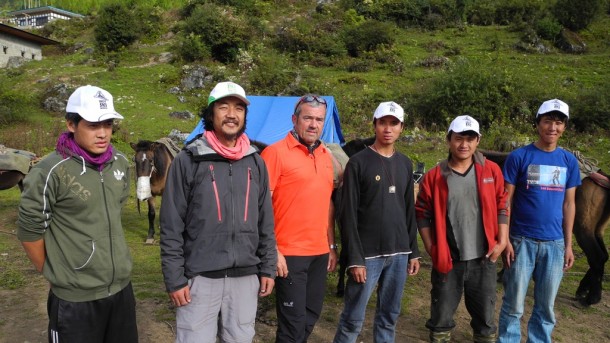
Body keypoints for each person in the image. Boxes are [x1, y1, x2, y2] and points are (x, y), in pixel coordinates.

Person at [17, 85, 138, 342]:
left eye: (108, 123)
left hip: (121, 291)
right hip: (75, 300)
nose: (103, 133)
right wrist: (55, 273)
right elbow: (29, 231)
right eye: (93, 125)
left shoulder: (121, 164)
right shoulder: (50, 170)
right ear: (71, 124)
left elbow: (113, 214)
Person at [160, 81, 277, 342]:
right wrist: (175, 278)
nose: (231, 114)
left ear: (245, 116)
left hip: (246, 277)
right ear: (211, 114)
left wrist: (268, 267)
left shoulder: (255, 161)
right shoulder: (188, 160)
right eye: (223, 107)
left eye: (238, 108)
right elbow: (171, 224)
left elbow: (265, 221)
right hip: (199, 278)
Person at [415, 115, 509, 343]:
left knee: (485, 321)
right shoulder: (435, 176)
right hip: (448, 259)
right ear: (449, 140)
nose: (464, 144)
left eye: (470, 138)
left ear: (478, 140)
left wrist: (502, 240)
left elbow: (502, 205)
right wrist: (431, 246)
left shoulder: (491, 171)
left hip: (484, 259)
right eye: (458, 138)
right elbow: (422, 213)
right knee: (441, 318)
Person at [333, 101, 421, 343]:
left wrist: (413, 251)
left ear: (402, 127)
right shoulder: (358, 163)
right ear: (374, 124)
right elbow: (347, 213)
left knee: (388, 317)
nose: (388, 128)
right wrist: (354, 258)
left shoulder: (405, 163)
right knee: (352, 320)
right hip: (368, 256)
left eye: (394, 123)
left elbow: (408, 210)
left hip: (399, 252)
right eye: (383, 122)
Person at [497, 99, 580, 343]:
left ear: (564, 127)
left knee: (546, 308)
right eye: (547, 121)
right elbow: (506, 201)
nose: (552, 127)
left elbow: (569, 204)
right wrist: (507, 240)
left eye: (558, 122)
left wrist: (568, 244)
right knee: (513, 304)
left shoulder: (569, 162)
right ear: (537, 124)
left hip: (554, 245)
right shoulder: (519, 156)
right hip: (522, 241)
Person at [260, 94, 338, 342]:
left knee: (310, 316)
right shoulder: (274, 153)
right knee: (292, 324)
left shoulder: (326, 154)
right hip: (289, 254)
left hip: (319, 253)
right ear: (295, 120)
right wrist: (273, 250)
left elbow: (327, 202)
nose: (313, 124)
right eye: (308, 118)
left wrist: (332, 245)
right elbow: (260, 207)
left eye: (319, 119)